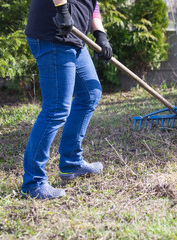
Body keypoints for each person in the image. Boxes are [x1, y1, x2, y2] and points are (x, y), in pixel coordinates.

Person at [21, 0, 112, 199]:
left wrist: (100, 34)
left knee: (90, 94)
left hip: (74, 37)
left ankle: (71, 163)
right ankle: (33, 182)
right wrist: (62, 9)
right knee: (56, 109)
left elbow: (92, 4)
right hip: (53, 34)